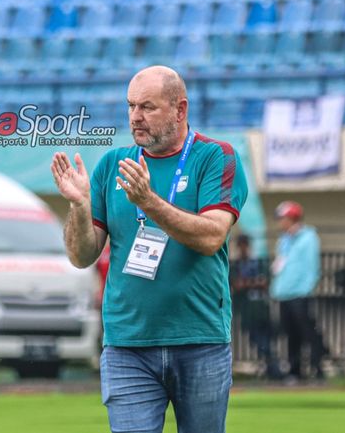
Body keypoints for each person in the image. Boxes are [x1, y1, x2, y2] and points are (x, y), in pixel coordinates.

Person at [50, 65, 248, 433]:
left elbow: (211, 237)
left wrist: (149, 201)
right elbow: (81, 256)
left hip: (199, 339)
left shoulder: (216, 157)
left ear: (180, 109)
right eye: (130, 106)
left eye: (147, 107)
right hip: (128, 343)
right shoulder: (112, 164)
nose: (135, 117)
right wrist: (78, 207)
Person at [269, 201, 325, 380]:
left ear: (292, 218)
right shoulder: (284, 240)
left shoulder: (308, 237)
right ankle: (295, 371)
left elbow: (311, 266)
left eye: (282, 218)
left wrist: (308, 288)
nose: (279, 222)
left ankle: (318, 368)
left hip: (301, 293)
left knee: (307, 332)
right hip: (285, 293)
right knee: (291, 334)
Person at [229, 233, 281, 380]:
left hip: (262, 309)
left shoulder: (258, 263)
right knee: (258, 341)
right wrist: (254, 283)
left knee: (265, 341)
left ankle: (273, 370)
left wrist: (247, 283)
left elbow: (265, 283)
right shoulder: (235, 265)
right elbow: (236, 285)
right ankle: (273, 369)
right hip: (247, 311)